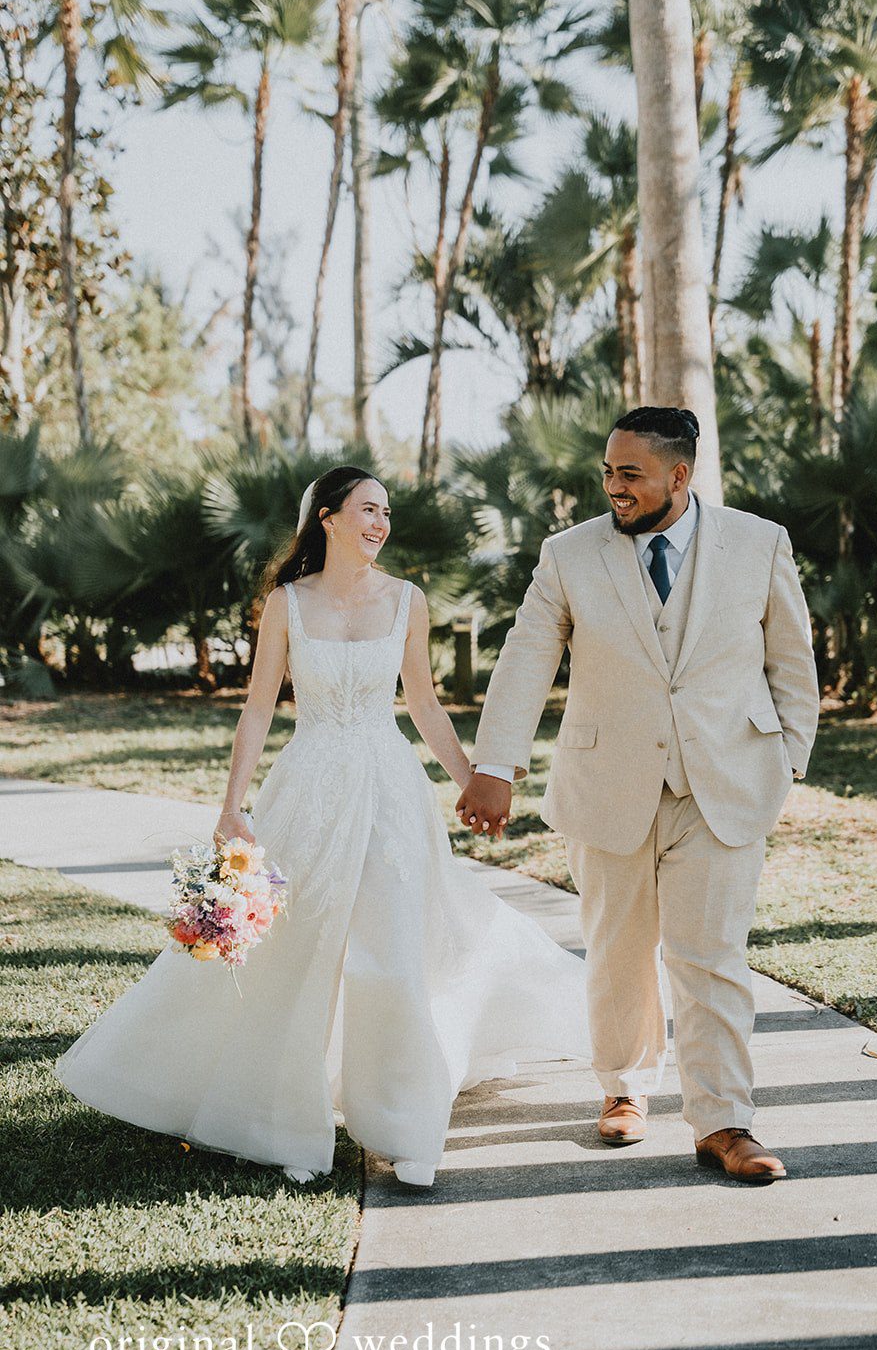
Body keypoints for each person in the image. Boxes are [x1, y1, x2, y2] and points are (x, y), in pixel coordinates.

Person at [54, 466, 591, 1189]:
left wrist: (472, 781)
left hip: (389, 791)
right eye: (368, 509)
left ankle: (407, 1130)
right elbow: (257, 708)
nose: (381, 523)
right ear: (329, 518)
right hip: (305, 790)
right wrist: (231, 805)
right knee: (294, 955)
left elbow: (425, 707)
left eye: (387, 512)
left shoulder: (408, 601)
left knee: (392, 953)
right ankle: (285, 1123)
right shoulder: (286, 603)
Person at [456, 407, 820, 1183]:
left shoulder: (758, 543)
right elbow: (525, 659)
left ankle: (723, 1120)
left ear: (678, 475)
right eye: (608, 473)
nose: (614, 488)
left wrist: (787, 759)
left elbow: (791, 658)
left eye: (631, 474)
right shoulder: (568, 553)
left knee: (711, 956)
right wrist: (497, 765)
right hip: (606, 783)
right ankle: (624, 1088)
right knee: (618, 952)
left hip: (723, 783)